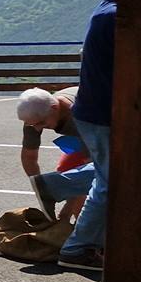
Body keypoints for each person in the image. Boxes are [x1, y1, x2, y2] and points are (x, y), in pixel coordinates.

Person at [56, 0, 117, 271]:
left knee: (105, 176)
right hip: (101, 114)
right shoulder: (115, 18)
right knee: (108, 182)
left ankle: (90, 240)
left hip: (91, 111)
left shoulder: (106, 9)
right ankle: (77, 247)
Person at [15, 86, 90, 221]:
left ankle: (87, 232)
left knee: (87, 187)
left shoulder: (80, 116)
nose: (37, 128)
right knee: (65, 173)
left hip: (108, 129)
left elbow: (92, 163)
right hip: (79, 137)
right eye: (33, 125)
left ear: (55, 108)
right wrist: (42, 189)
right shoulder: (35, 115)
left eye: (42, 123)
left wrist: (67, 208)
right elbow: (29, 157)